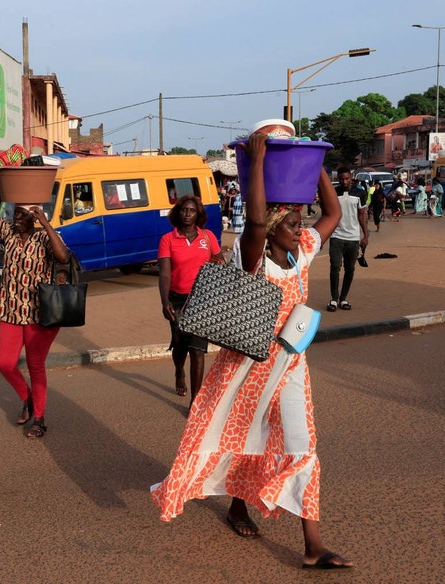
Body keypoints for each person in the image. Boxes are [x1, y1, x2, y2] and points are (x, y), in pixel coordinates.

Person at [151, 130, 353, 570]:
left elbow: (334, 212)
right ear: (275, 224)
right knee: (245, 437)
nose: (301, 228)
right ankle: (238, 505)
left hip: (292, 366)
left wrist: (312, 162)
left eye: (301, 222)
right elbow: (256, 224)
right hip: (248, 365)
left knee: (303, 446)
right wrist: (259, 163)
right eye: (293, 222)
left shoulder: (303, 251)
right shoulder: (254, 256)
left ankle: (313, 545)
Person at [0, 174, 71, 439]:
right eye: (14, 214)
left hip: (41, 314)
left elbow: (63, 256)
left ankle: (39, 418)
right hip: (12, 312)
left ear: (33, 218)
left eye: (21, 215)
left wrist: (46, 224)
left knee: (36, 365)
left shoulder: (43, 239)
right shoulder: (9, 235)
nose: (15, 219)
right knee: (6, 364)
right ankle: (28, 399)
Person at [158, 195, 224, 407]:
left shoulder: (208, 237)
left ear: (198, 214)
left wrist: (220, 264)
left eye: (192, 210)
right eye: (184, 210)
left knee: (197, 349)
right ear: (178, 213)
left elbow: (219, 261)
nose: (188, 214)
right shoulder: (168, 239)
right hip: (177, 299)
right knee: (180, 345)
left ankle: (195, 402)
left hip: (201, 299)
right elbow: (165, 273)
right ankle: (179, 371)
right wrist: (164, 300)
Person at [327, 168, 370, 312]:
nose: (344, 181)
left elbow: (362, 215)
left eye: (347, 179)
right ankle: (334, 299)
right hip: (336, 237)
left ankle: (343, 298)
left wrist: (365, 236)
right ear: (338, 179)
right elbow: (328, 214)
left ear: (351, 177)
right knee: (335, 267)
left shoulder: (360, 193)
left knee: (350, 269)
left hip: (353, 238)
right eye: (341, 179)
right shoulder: (333, 192)